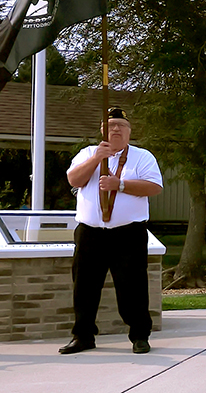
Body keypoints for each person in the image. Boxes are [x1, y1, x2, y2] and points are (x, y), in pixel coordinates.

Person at [60, 107, 164, 356]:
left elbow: (154, 187)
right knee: (84, 286)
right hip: (90, 232)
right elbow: (74, 180)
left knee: (133, 286)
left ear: (129, 131)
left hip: (128, 233)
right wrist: (97, 158)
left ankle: (139, 335)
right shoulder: (87, 154)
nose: (116, 129)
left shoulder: (142, 157)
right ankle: (83, 336)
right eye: (111, 125)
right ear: (102, 130)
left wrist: (121, 184)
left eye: (121, 125)